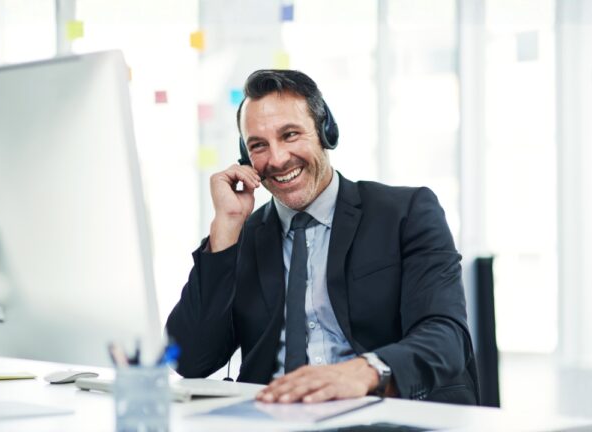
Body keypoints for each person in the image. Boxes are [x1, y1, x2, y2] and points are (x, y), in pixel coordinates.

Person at [166, 69, 478, 405]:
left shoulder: (405, 212)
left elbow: (446, 337)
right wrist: (225, 230)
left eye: (290, 135)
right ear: (245, 155)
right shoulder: (243, 236)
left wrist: (364, 371)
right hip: (274, 420)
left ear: (325, 131)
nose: (278, 158)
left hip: (382, 411)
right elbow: (190, 360)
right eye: (259, 145)